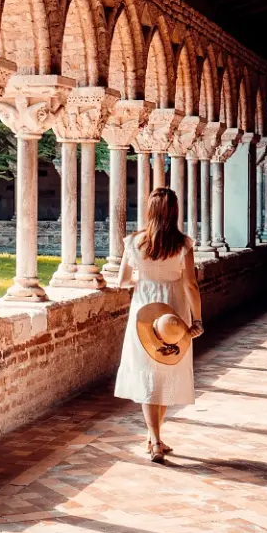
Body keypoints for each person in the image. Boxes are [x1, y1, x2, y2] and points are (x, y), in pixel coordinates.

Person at [114, 187, 204, 463]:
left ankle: (154, 438)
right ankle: (155, 439)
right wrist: (197, 319)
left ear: (149, 211)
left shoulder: (134, 242)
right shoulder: (183, 244)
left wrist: (143, 279)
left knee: (148, 373)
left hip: (144, 312)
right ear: (174, 211)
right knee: (166, 369)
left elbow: (122, 281)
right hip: (173, 313)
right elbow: (190, 284)